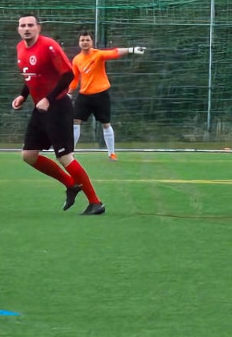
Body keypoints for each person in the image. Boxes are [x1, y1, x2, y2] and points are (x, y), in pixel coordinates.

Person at [13, 14, 105, 215]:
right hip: (41, 108)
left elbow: (68, 74)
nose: (27, 28)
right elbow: (31, 76)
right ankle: (71, 184)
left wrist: (49, 98)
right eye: (23, 25)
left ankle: (96, 202)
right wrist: (22, 96)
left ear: (39, 27)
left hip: (59, 106)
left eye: (30, 25)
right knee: (28, 155)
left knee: (64, 156)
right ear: (18, 29)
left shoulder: (49, 46)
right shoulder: (20, 48)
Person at [70, 31, 146, 160]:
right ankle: (70, 152)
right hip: (84, 96)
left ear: (91, 42)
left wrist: (132, 49)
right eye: (82, 40)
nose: (85, 42)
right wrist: (69, 92)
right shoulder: (77, 59)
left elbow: (114, 52)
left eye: (87, 40)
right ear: (79, 43)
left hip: (101, 95)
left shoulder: (98, 55)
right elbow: (75, 79)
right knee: (75, 122)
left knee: (105, 123)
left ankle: (111, 153)